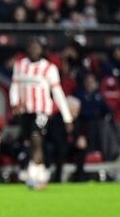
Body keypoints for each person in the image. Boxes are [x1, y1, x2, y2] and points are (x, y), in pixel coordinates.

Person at [9, 37, 73, 189]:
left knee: (36, 137)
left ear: (42, 50)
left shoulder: (49, 68)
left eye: (37, 47)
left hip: (42, 111)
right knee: (31, 142)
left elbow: (57, 92)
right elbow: (14, 86)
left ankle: (33, 173)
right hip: (25, 111)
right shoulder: (20, 65)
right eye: (31, 47)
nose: (34, 50)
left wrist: (67, 117)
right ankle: (41, 174)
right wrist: (14, 103)